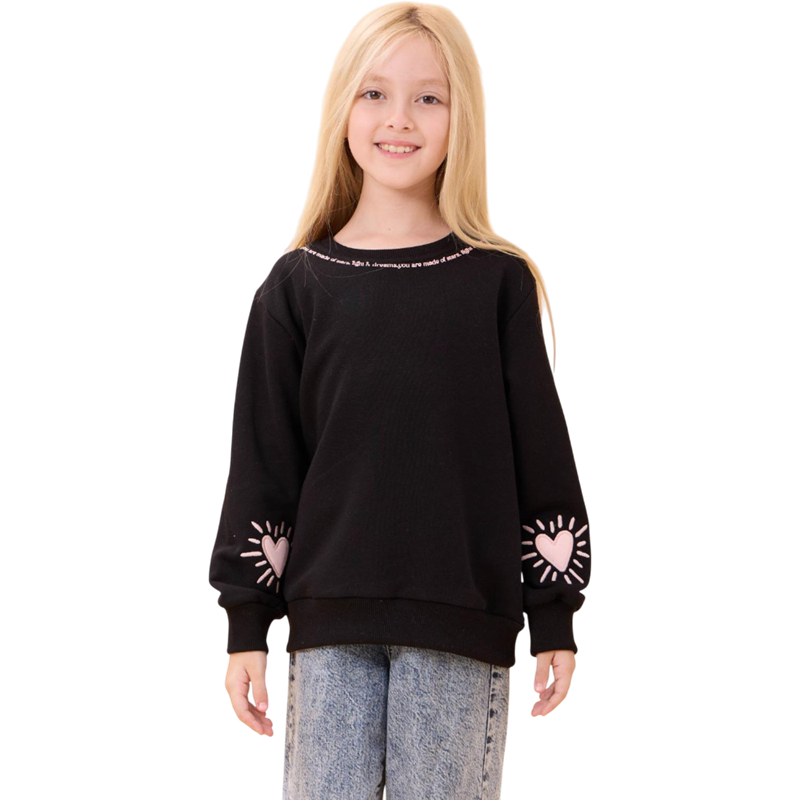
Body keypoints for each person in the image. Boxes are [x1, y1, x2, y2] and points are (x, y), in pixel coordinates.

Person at [208, 3, 591, 798]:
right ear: (340, 107)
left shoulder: (501, 284)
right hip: (326, 630)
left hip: (463, 626)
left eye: (429, 97)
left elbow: (542, 458)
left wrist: (555, 611)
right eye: (375, 93)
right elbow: (263, 466)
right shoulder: (294, 287)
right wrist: (246, 624)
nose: (400, 119)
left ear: (464, 117)